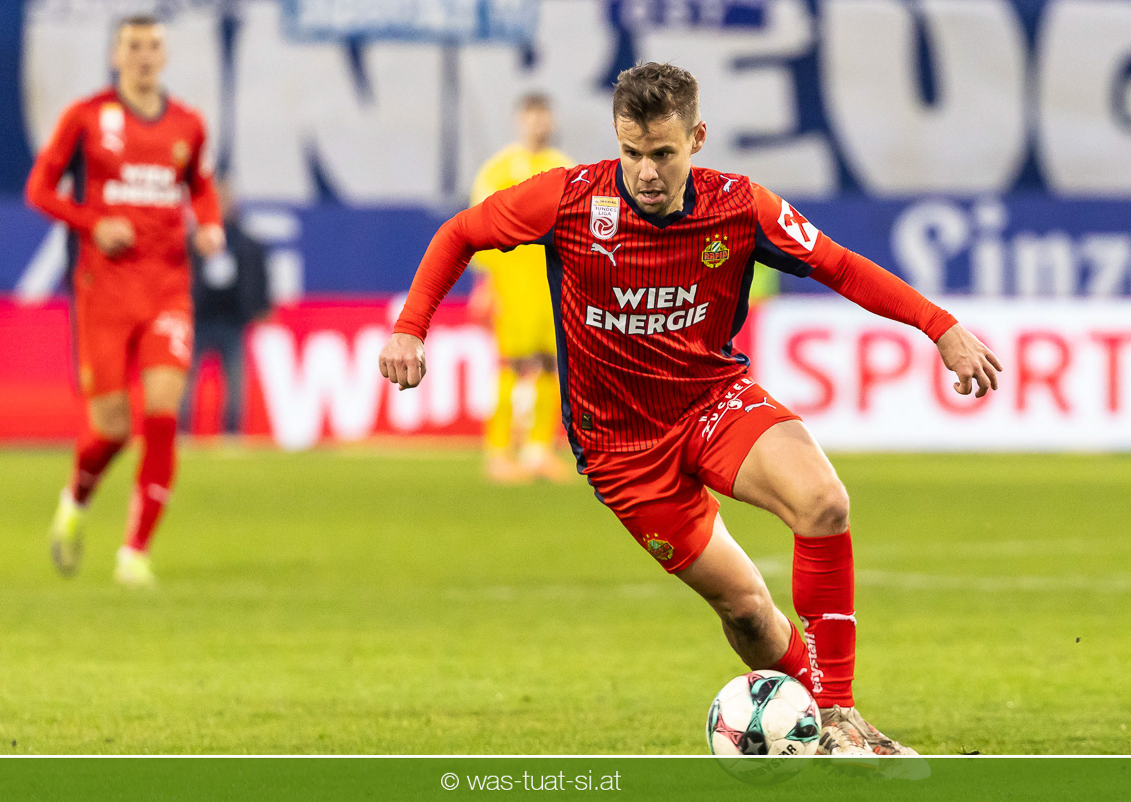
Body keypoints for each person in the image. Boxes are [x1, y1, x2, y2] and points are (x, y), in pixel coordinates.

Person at [379, 63, 1002, 754]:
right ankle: (816, 720)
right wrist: (410, 327)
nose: (646, 173)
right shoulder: (569, 200)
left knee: (824, 503)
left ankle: (839, 716)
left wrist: (941, 327)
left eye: (663, 153)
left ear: (697, 138)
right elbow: (460, 232)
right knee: (747, 610)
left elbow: (840, 265)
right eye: (633, 152)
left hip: (712, 401)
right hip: (621, 450)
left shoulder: (741, 207)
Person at [26, 15, 223, 587]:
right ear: (115, 56)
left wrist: (209, 224)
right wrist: (93, 223)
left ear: (165, 56)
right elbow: (39, 190)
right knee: (111, 429)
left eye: (153, 46)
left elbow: (200, 186)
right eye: (133, 46)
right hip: (104, 293)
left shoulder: (188, 124)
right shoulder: (86, 118)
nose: (144, 55)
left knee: (162, 415)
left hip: (168, 288)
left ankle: (134, 553)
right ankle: (75, 500)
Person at [467, 94, 573, 482]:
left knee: (551, 362)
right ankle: (498, 452)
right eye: (531, 117)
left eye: (543, 116)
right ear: (519, 121)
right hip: (512, 282)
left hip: (551, 282)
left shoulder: (564, 168)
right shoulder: (498, 171)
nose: (538, 124)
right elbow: (477, 228)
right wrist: (485, 282)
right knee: (513, 363)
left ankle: (537, 451)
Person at [179, 178, 270, 436]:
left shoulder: (245, 242)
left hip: (232, 320)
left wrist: (261, 305)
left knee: (235, 380)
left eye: (225, 200)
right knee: (185, 380)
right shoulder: (191, 241)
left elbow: (258, 274)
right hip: (198, 319)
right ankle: (182, 430)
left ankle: (232, 431)